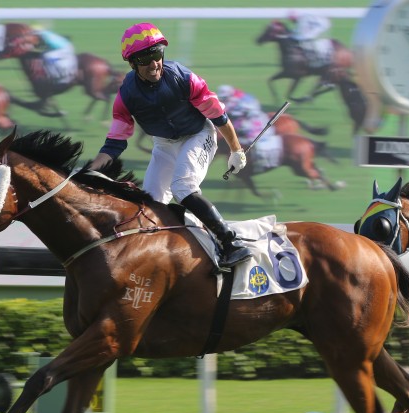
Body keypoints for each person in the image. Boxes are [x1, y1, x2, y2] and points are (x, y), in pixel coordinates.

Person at [86, 22, 251, 269]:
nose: (154, 64)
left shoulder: (183, 78)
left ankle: (231, 243)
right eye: (145, 59)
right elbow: (114, 144)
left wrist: (236, 150)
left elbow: (218, 116)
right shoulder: (126, 96)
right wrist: (89, 171)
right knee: (150, 204)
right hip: (164, 144)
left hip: (198, 134)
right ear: (132, 64)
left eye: (157, 54)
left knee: (183, 187)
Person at [216, 85, 281, 174]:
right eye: (222, 98)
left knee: (245, 139)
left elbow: (233, 114)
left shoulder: (241, 102)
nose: (223, 99)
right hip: (250, 118)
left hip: (255, 124)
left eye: (225, 98)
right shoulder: (235, 99)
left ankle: (259, 161)